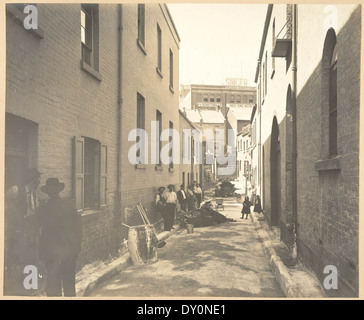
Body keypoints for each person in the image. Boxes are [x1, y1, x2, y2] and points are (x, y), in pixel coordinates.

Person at [38, 178, 83, 297]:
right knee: (69, 283)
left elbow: (39, 228)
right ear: (59, 191)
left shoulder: (44, 208)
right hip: (69, 251)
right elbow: (79, 227)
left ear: (48, 193)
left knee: (53, 284)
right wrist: (77, 247)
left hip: (52, 252)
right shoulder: (70, 204)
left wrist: (42, 252)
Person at [5, 168, 42, 294]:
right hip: (17, 228)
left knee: (33, 255)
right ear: (32, 179)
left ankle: (30, 284)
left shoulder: (34, 192)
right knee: (19, 254)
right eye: (37, 178)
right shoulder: (15, 189)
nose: (39, 181)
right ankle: (15, 285)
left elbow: (35, 209)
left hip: (31, 227)